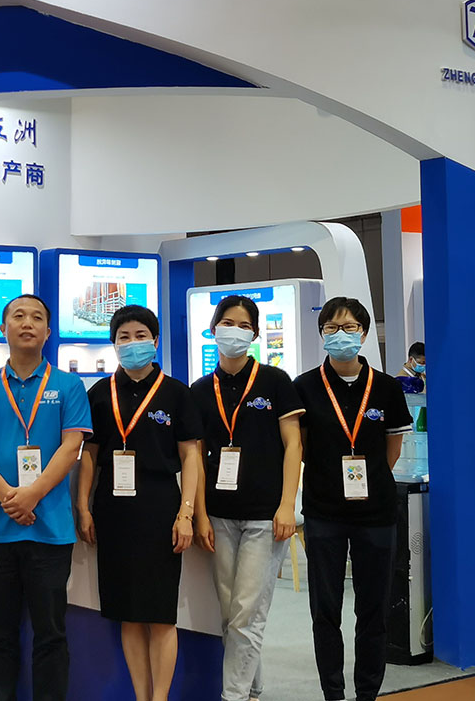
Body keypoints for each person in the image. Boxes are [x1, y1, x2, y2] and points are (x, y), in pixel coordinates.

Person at [0, 293, 92, 701]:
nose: (27, 323)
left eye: (36, 317)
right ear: (4, 328)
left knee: (51, 635)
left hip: (50, 531)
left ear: (48, 331)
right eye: (18, 316)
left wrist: (32, 494)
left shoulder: (69, 385)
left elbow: (72, 447)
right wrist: (9, 497)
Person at [75, 305, 201, 701]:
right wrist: (83, 507)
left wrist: (186, 513)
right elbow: (89, 455)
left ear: (155, 341)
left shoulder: (176, 392)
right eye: (124, 337)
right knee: (128, 614)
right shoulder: (99, 394)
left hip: (161, 509)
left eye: (140, 336)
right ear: (113, 344)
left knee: (160, 615)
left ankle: (159, 697)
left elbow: (191, 456)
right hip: (113, 511)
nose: (132, 344)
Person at [294, 297, 413, 701]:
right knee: (325, 609)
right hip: (323, 510)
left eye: (349, 327)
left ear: (363, 334)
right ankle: (333, 692)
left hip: (376, 512)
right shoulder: (305, 386)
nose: (340, 335)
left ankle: (367, 693)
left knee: (373, 609)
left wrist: (369, 476)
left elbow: (391, 449)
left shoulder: (387, 387)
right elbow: (302, 448)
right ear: (321, 334)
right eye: (331, 328)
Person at [190, 295, 304, 701]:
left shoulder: (275, 382)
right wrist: (199, 514)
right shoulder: (200, 390)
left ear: (254, 334)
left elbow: (294, 446)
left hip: (264, 516)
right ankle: (253, 689)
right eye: (227, 323)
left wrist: (287, 505)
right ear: (213, 329)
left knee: (246, 613)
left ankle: (233, 696)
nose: (234, 331)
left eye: (243, 325)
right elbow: (195, 458)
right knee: (229, 613)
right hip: (219, 516)